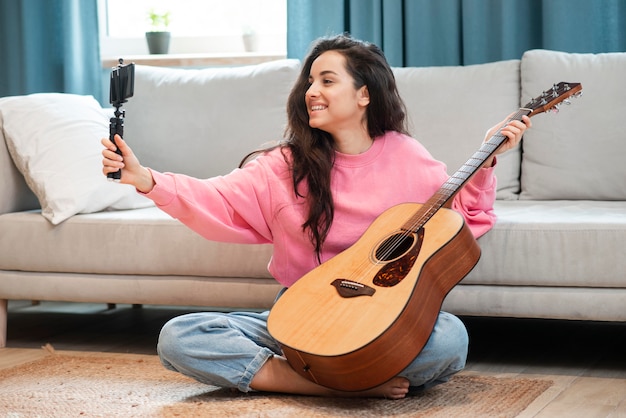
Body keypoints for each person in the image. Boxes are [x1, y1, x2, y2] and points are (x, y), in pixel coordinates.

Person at [101, 34, 530, 399]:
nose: (312, 91)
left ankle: (338, 373)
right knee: (179, 337)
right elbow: (217, 200)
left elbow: (456, 227)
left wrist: (486, 162)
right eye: (310, 81)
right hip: (299, 319)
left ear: (364, 94)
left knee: (450, 340)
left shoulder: (409, 158)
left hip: (383, 321)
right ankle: (318, 383)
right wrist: (146, 180)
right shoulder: (284, 164)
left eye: (327, 80)